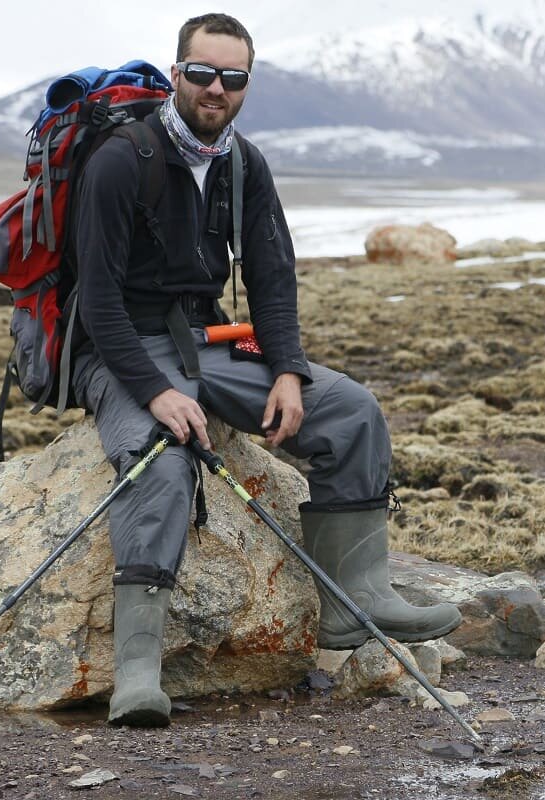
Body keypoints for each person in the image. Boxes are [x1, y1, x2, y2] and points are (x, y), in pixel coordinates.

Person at [70, 12, 462, 728]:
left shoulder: (242, 163)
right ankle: (137, 672)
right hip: (120, 346)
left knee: (351, 411)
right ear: (176, 71)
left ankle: (357, 601)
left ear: (246, 83)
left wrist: (287, 371)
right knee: (160, 462)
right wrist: (156, 393)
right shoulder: (122, 161)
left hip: (206, 335)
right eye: (201, 72)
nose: (216, 88)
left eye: (233, 77)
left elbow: (274, 278)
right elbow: (96, 302)